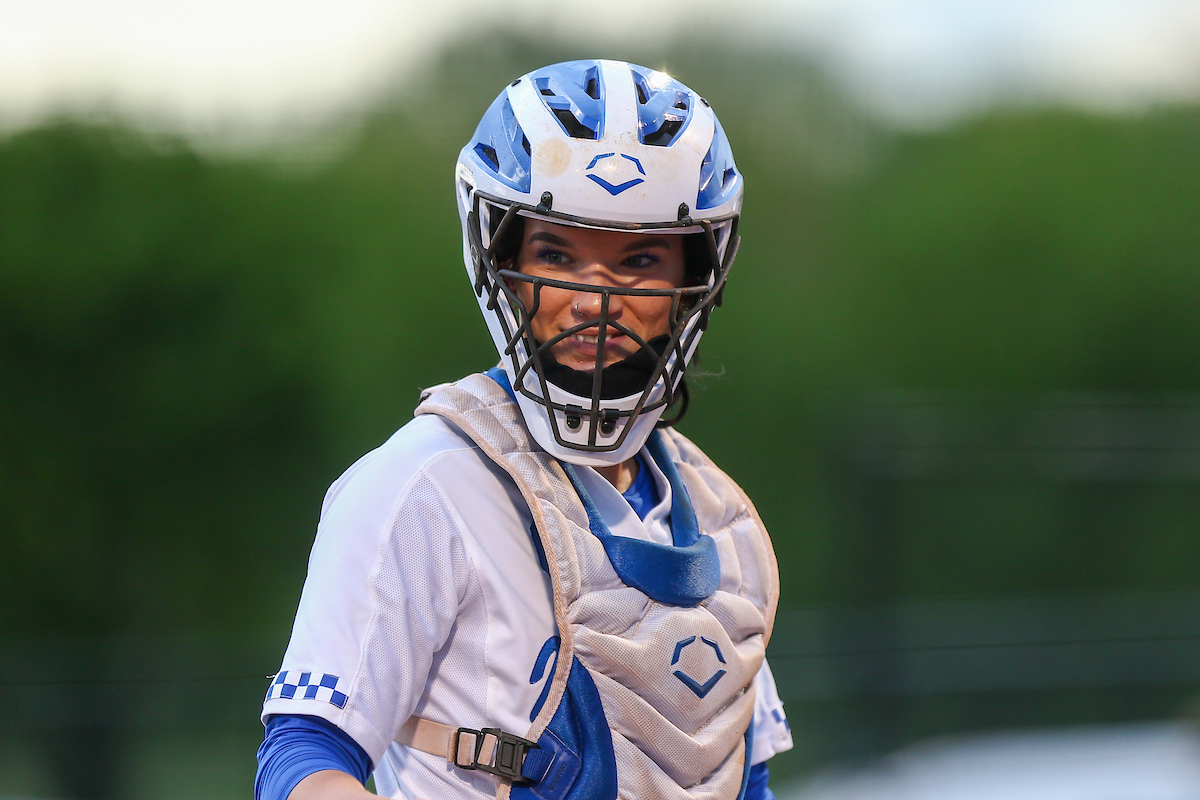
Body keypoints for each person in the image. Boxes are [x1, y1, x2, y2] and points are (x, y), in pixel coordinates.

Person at [255, 59, 792, 800]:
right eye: (556, 253)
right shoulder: (426, 481)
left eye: (638, 259)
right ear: (501, 263)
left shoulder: (725, 520)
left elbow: (742, 777)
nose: (592, 300)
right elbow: (304, 753)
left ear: (693, 278)